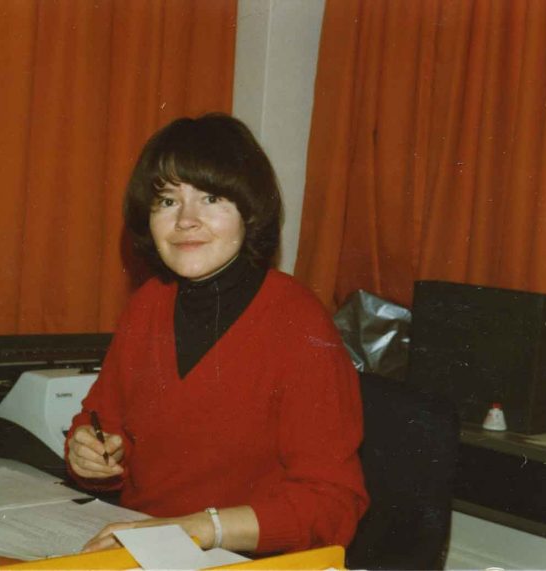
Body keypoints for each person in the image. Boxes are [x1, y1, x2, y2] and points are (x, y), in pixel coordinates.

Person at [65, 113, 368, 555]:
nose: (186, 220)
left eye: (211, 198)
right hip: (141, 548)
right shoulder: (147, 305)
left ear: (249, 211)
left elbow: (332, 505)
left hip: (243, 559)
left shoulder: (299, 323)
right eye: (167, 202)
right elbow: (102, 424)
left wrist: (199, 529)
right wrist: (88, 454)